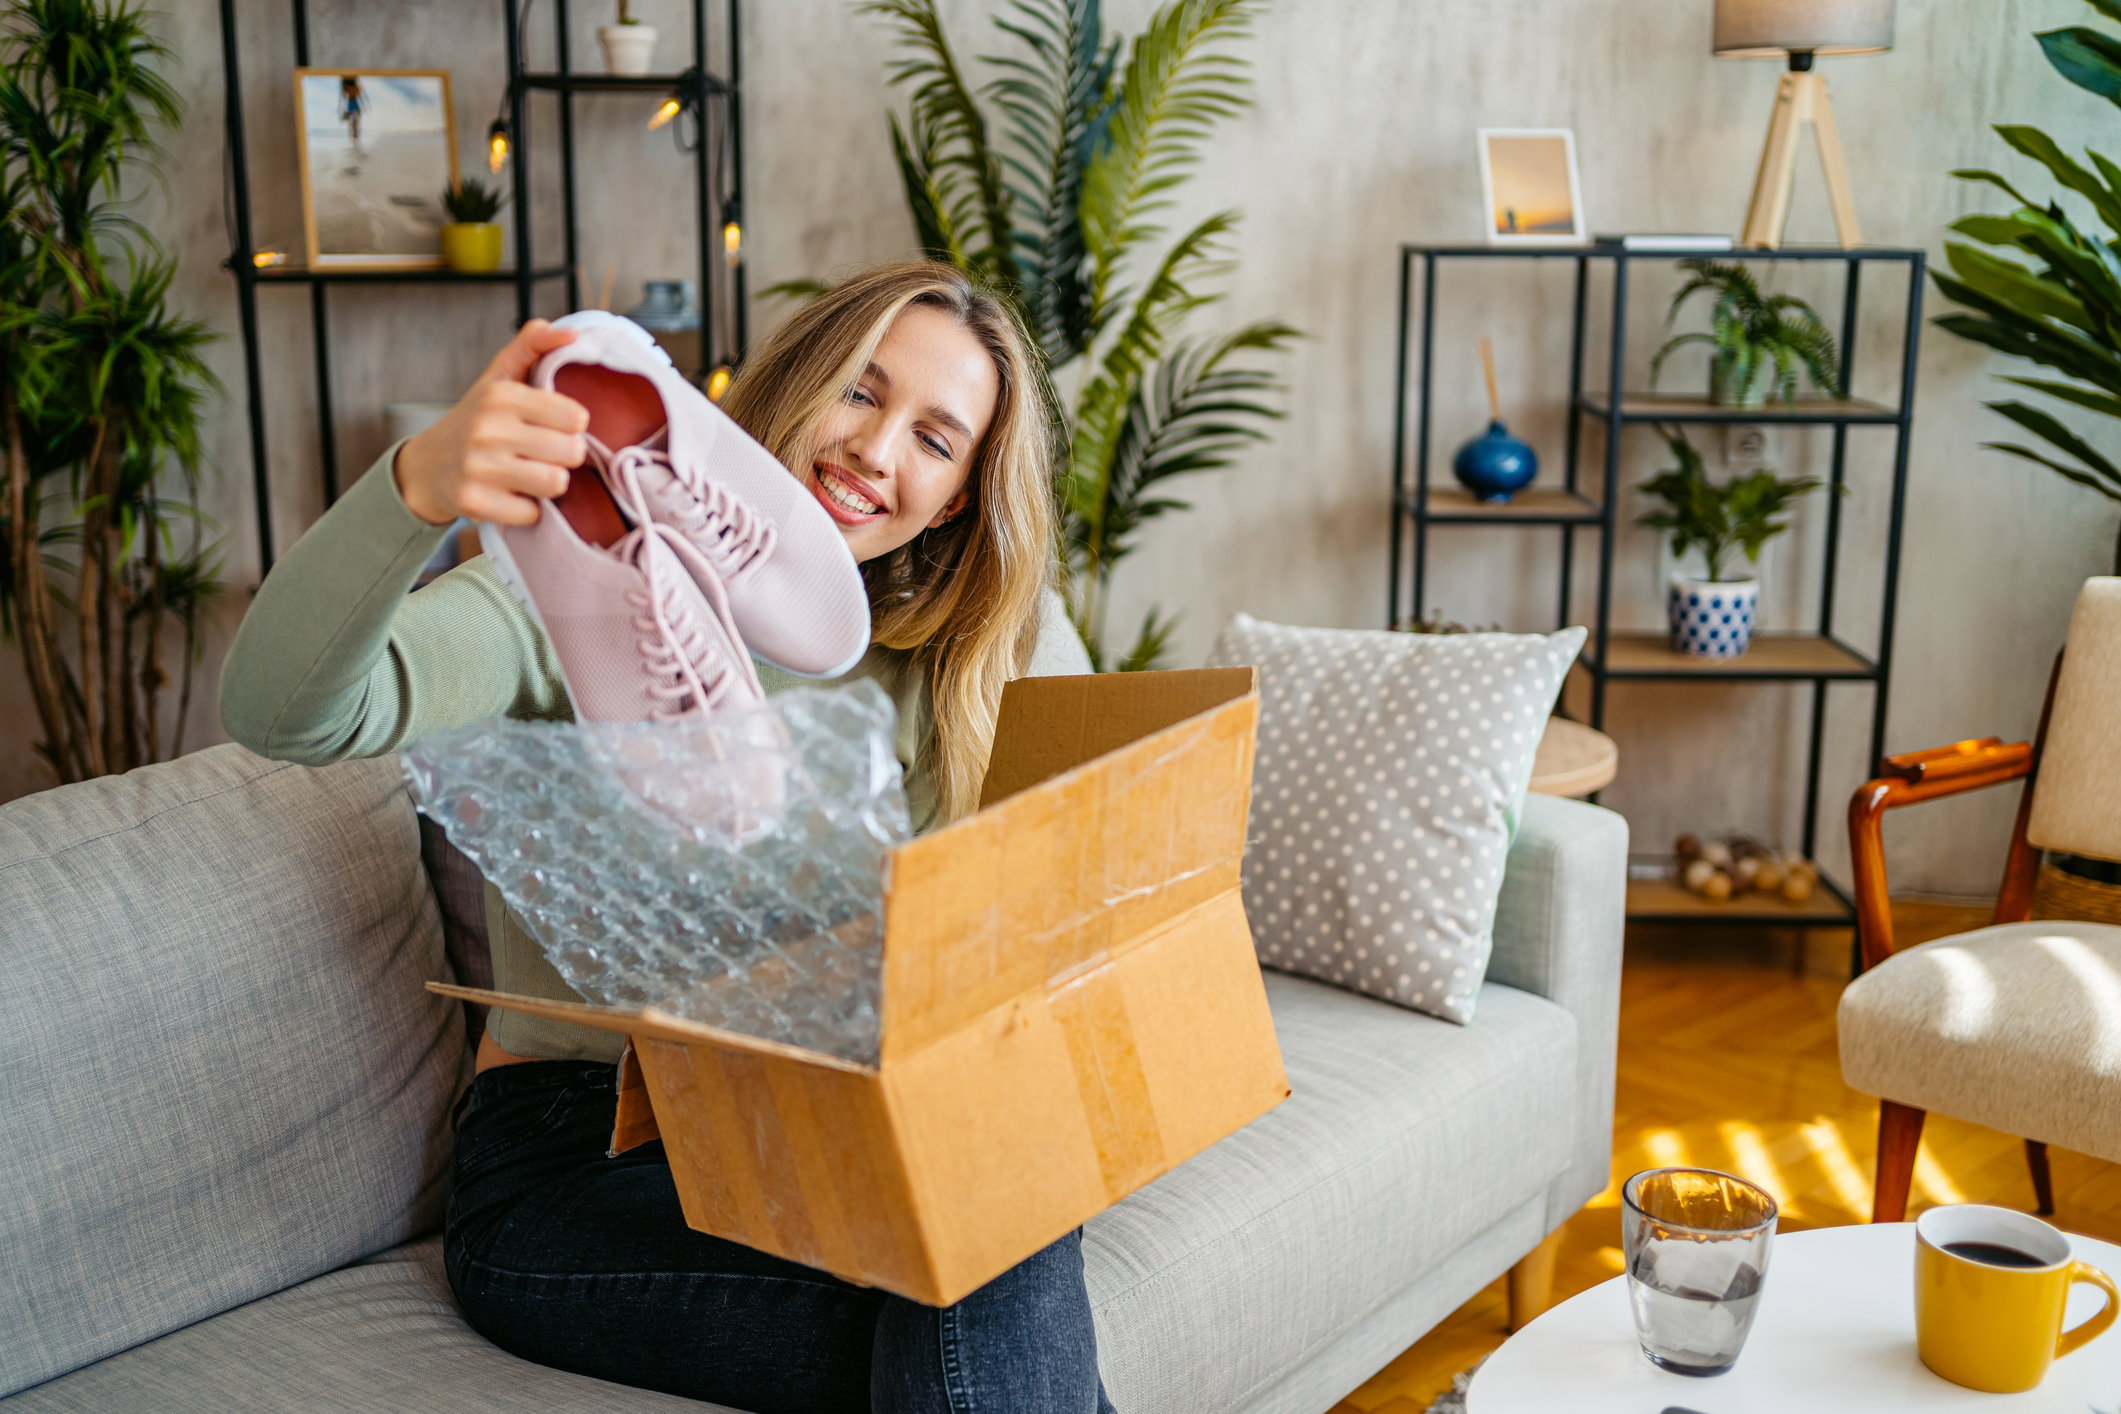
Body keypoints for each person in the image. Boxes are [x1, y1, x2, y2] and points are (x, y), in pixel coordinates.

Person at [219, 262, 1115, 1414]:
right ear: (793, 387)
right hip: (577, 1162)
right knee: (986, 1292)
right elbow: (284, 713)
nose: (876, 452)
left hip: (819, 1140)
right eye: (859, 392)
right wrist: (419, 487)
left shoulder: (939, 676)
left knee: (999, 1228)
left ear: (951, 502)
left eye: (935, 441)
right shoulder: (550, 591)